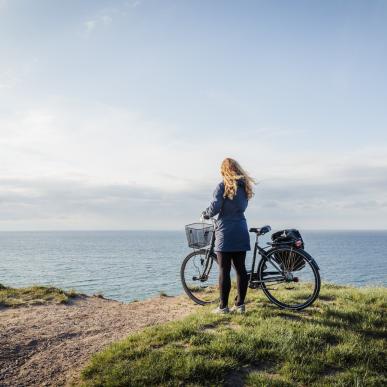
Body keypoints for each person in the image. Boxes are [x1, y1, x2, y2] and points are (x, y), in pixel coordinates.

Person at [202, 158, 255, 314]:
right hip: (241, 229)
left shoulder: (222, 186)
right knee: (240, 270)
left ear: (224, 170)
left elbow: (215, 207)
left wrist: (205, 214)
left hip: (225, 232)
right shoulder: (245, 188)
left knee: (224, 271)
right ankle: (240, 306)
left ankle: (223, 307)